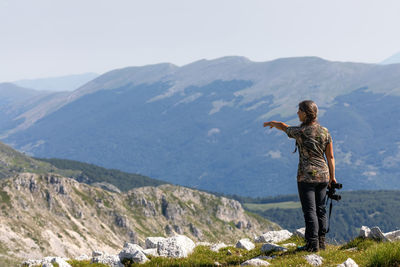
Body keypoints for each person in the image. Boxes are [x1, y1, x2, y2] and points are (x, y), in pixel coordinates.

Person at [263, 100, 337, 252]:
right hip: (324, 175)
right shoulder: (325, 131)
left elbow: (284, 127)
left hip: (306, 176)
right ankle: (321, 243)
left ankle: (312, 245)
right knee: (321, 209)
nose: (297, 113)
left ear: (305, 113)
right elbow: (330, 157)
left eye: (299, 111)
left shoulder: (300, 132)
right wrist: (332, 177)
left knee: (310, 211)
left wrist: (273, 123)